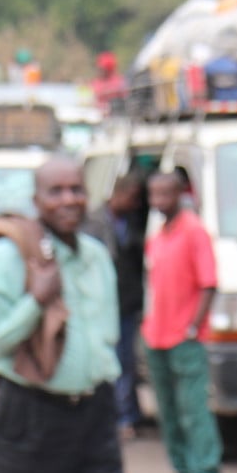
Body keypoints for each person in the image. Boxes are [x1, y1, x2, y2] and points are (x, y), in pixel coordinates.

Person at [0, 156, 128, 473]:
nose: (68, 200)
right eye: (55, 191)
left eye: (76, 190)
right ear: (36, 201)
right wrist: (36, 303)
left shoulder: (96, 256)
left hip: (96, 413)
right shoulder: (5, 258)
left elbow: (107, 333)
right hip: (32, 414)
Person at [142, 172, 222, 473]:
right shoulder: (158, 236)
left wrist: (193, 325)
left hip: (185, 338)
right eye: (154, 195)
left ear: (179, 194)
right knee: (167, 410)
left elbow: (209, 283)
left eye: (165, 194)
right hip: (156, 335)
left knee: (194, 409)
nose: (159, 201)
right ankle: (182, 470)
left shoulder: (194, 232)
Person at [81, 174, 146, 440]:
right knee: (114, 360)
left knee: (126, 361)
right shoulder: (95, 222)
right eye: (131, 198)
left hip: (127, 302)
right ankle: (120, 416)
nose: (134, 204)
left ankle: (128, 413)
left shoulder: (133, 222)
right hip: (105, 304)